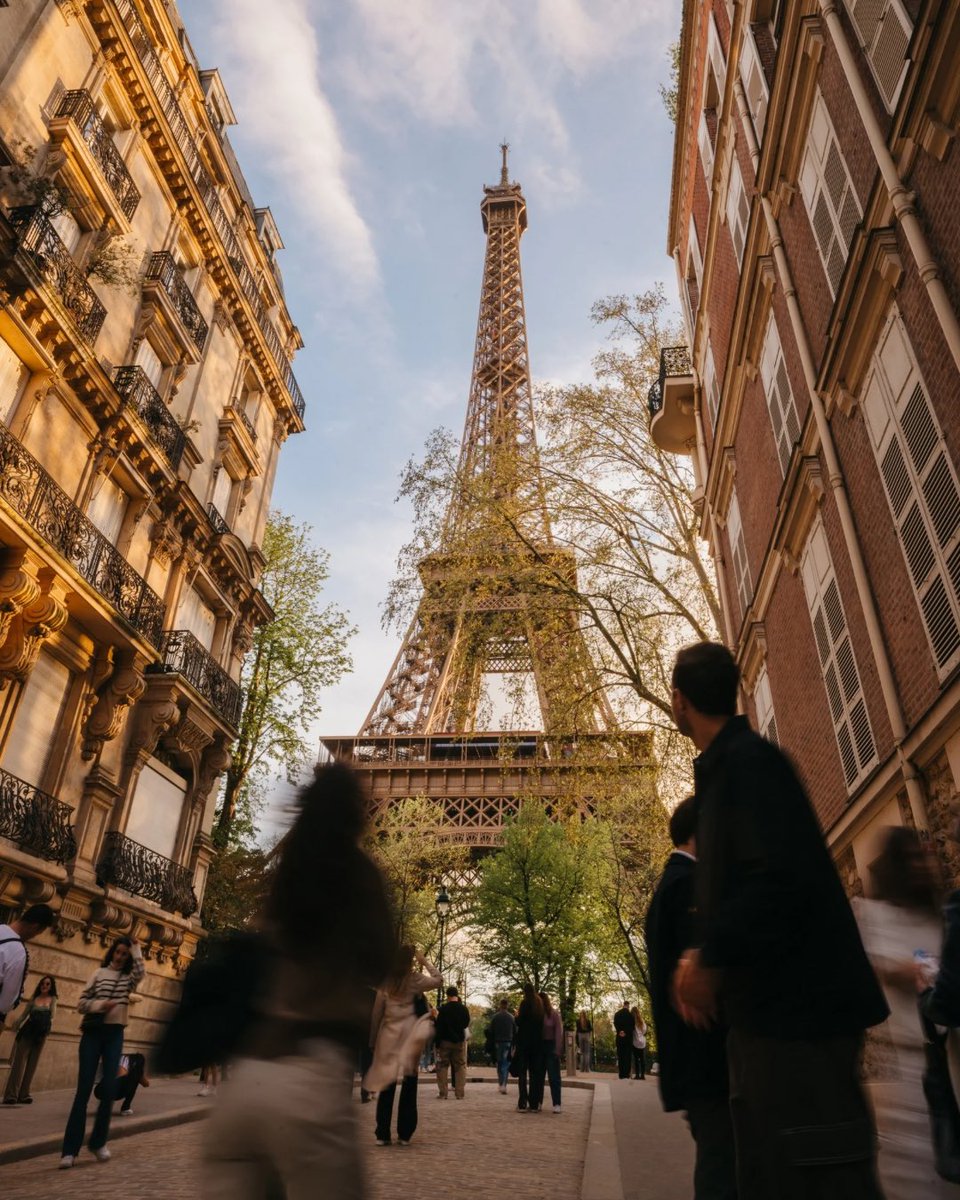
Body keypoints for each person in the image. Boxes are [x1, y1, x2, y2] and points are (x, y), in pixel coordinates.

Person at [670, 641, 888, 1200]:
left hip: (797, 1023)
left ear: (679, 701)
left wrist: (707, 955)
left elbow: (776, 881)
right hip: (774, 1021)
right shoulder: (735, 767)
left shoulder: (747, 765)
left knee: (815, 1174)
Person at [204, 763, 396, 1198]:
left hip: (244, 1088)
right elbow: (383, 962)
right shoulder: (357, 874)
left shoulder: (282, 879)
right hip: (309, 1084)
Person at [854, 827, 955, 1199]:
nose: (921, 865)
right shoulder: (872, 915)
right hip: (908, 1068)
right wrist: (909, 971)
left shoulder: (938, 915)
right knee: (917, 1177)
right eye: (911, 858)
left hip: (951, 1059)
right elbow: (873, 966)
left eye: (923, 857)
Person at [645, 794, 736, 1200]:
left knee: (722, 1163)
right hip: (706, 1058)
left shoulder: (674, 884)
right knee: (722, 1168)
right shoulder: (686, 886)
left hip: (696, 1061)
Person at [60, 935, 145, 1168]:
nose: (119, 957)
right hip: (93, 1034)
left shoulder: (128, 979)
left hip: (115, 1033)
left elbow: (141, 973)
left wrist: (136, 947)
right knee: (83, 1090)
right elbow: (81, 1003)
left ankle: (98, 1143)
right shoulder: (98, 974)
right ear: (112, 953)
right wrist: (100, 1005)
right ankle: (69, 1150)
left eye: (124, 954)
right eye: (117, 952)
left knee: (108, 1089)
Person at [365, 944, 441, 1145]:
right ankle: (405, 1133)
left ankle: (382, 1133)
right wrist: (424, 961)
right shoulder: (415, 979)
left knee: (387, 1085)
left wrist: (373, 1040)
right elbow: (439, 980)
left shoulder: (387, 981)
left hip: (389, 1037)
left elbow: (377, 1012)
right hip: (410, 1038)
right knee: (409, 1085)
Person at [3, 974, 57, 1104]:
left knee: (32, 1064)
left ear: (51, 986)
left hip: (41, 1035)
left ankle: (24, 1095)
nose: (45, 986)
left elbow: (52, 1017)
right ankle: (11, 1095)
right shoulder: (33, 999)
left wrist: (46, 1030)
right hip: (27, 1032)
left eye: (48, 984)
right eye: (43, 983)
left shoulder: (53, 999)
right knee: (18, 1064)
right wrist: (15, 1025)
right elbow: (23, 1016)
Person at [0, 904, 55, 1025]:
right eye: (37, 933)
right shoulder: (18, 952)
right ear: (35, 927)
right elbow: (6, 1002)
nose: (33, 937)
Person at [434, 984, 470, 1100]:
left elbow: (438, 1027)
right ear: (456, 995)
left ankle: (443, 1093)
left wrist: (437, 1043)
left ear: (447, 996)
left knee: (442, 1066)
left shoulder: (443, 1009)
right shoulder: (463, 1009)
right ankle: (459, 1093)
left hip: (445, 1041)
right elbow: (465, 1024)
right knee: (460, 1066)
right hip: (459, 1042)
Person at [514, 983, 544, 1111]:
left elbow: (520, 1022)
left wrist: (516, 1016)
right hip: (537, 1043)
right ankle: (534, 1103)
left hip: (524, 1042)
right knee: (534, 1073)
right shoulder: (539, 1005)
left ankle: (522, 1102)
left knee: (522, 1073)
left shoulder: (524, 1003)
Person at [94, 1051, 151, 1116]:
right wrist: (135, 1074)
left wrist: (139, 1074)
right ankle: (124, 1108)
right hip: (102, 1090)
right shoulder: (124, 1060)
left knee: (135, 1077)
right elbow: (120, 1077)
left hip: (106, 1091)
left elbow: (146, 1084)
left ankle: (123, 1108)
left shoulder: (133, 1066)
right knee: (133, 1077)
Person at [538, 992, 564, 1113]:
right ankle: (538, 1101)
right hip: (540, 1046)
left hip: (551, 1045)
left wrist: (557, 1049)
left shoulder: (554, 1015)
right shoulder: (537, 1015)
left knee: (554, 1077)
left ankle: (557, 1103)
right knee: (538, 1077)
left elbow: (558, 1033)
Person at [491, 998, 515, 1093]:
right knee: (506, 1064)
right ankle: (504, 1085)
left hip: (498, 1042)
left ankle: (500, 1083)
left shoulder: (495, 1017)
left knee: (499, 1063)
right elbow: (515, 1030)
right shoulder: (511, 1017)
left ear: (500, 1005)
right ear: (507, 1005)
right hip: (508, 1042)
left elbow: (491, 1030)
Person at [613, 1000, 634, 1080]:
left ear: (623, 1005)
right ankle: (626, 1074)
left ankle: (621, 1074)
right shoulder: (630, 1016)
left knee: (620, 1056)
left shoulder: (617, 1014)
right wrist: (626, 1032)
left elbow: (615, 1023)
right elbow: (632, 1027)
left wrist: (620, 1031)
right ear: (628, 1005)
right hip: (628, 1039)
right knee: (627, 1056)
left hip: (619, 1038)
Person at [630, 1006, 647, 1079]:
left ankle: (637, 1075)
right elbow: (644, 1030)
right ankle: (642, 1075)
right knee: (642, 1059)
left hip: (635, 1042)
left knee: (636, 1059)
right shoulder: (641, 1021)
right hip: (642, 1042)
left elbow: (631, 1031)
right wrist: (641, 1035)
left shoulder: (632, 1021)